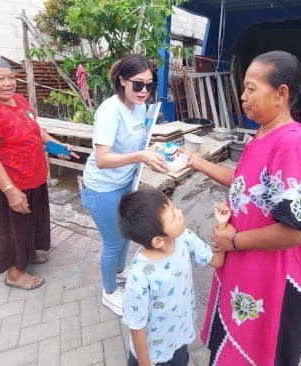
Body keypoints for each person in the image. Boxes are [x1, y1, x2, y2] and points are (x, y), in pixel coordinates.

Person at [180, 50, 301, 365]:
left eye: (251, 89)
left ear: (281, 94)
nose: (242, 97)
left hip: (270, 280)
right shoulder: (263, 134)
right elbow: (245, 183)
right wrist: (196, 161)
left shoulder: (292, 145)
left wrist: (233, 241)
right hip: (246, 272)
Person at [0, 55, 78, 290]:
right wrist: (11, 191)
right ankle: (15, 274)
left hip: (33, 176)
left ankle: (27, 255)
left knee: (30, 222)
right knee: (12, 229)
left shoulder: (18, 100)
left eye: (11, 77)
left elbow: (35, 130)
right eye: (0, 78)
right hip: (8, 183)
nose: (8, 83)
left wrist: (55, 145)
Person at [80, 53, 169, 316]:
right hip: (102, 188)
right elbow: (103, 159)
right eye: (138, 84)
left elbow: (136, 142)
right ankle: (109, 291)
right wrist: (141, 156)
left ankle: (120, 271)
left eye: (149, 85)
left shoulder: (141, 107)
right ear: (122, 80)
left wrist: (151, 148)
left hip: (126, 182)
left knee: (126, 234)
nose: (144, 91)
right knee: (113, 242)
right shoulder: (110, 110)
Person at [118, 189, 229, 366]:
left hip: (178, 338)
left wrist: (222, 227)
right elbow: (136, 324)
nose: (180, 213)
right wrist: (145, 363)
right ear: (158, 241)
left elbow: (216, 261)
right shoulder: (140, 276)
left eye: (174, 208)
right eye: (172, 215)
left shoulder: (185, 238)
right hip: (150, 353)